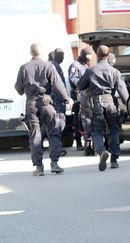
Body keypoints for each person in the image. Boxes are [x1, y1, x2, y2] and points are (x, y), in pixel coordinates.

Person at [15, 43, 72, 176]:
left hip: (31, 104)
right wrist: (67, 99)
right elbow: (58, 84)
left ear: (31, 53)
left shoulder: (24, 68)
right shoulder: (48, 66)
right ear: (42, 52)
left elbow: (19, 90)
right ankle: (54, 163)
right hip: (47, 103)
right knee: (54, 132)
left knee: (35, 134)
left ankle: (39, 167)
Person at [77, 45, 129, 171]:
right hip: (110, 103)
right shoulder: (115, 72)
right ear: (108, 55)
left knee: (98, 131)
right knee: (114, 130)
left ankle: (101, 152)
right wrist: (128, 105)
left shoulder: (91, 70)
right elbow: (123, 93)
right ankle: (114, 159)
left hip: (96, 104)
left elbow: (80, 86)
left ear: (97, 55)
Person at [69, 47, 93, 153]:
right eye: (87, 58)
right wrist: (84, 83)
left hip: (87, 96)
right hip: (78, 96)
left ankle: (88, 142)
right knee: (78, 120)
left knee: (87, 120)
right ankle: (78, 141)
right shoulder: (75, 65)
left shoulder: (85, 65)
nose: (89, 61)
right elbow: (74, 80)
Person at [50, 48, 68, 156]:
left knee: (55, 124)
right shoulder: (54, 66)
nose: (62, 58)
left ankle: (56, 147)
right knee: (59, 124)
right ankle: (56, 148)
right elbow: (58, 85)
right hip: (57, 100)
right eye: (60, 55)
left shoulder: (54, 65)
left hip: (55, 100)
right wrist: (66, 98)